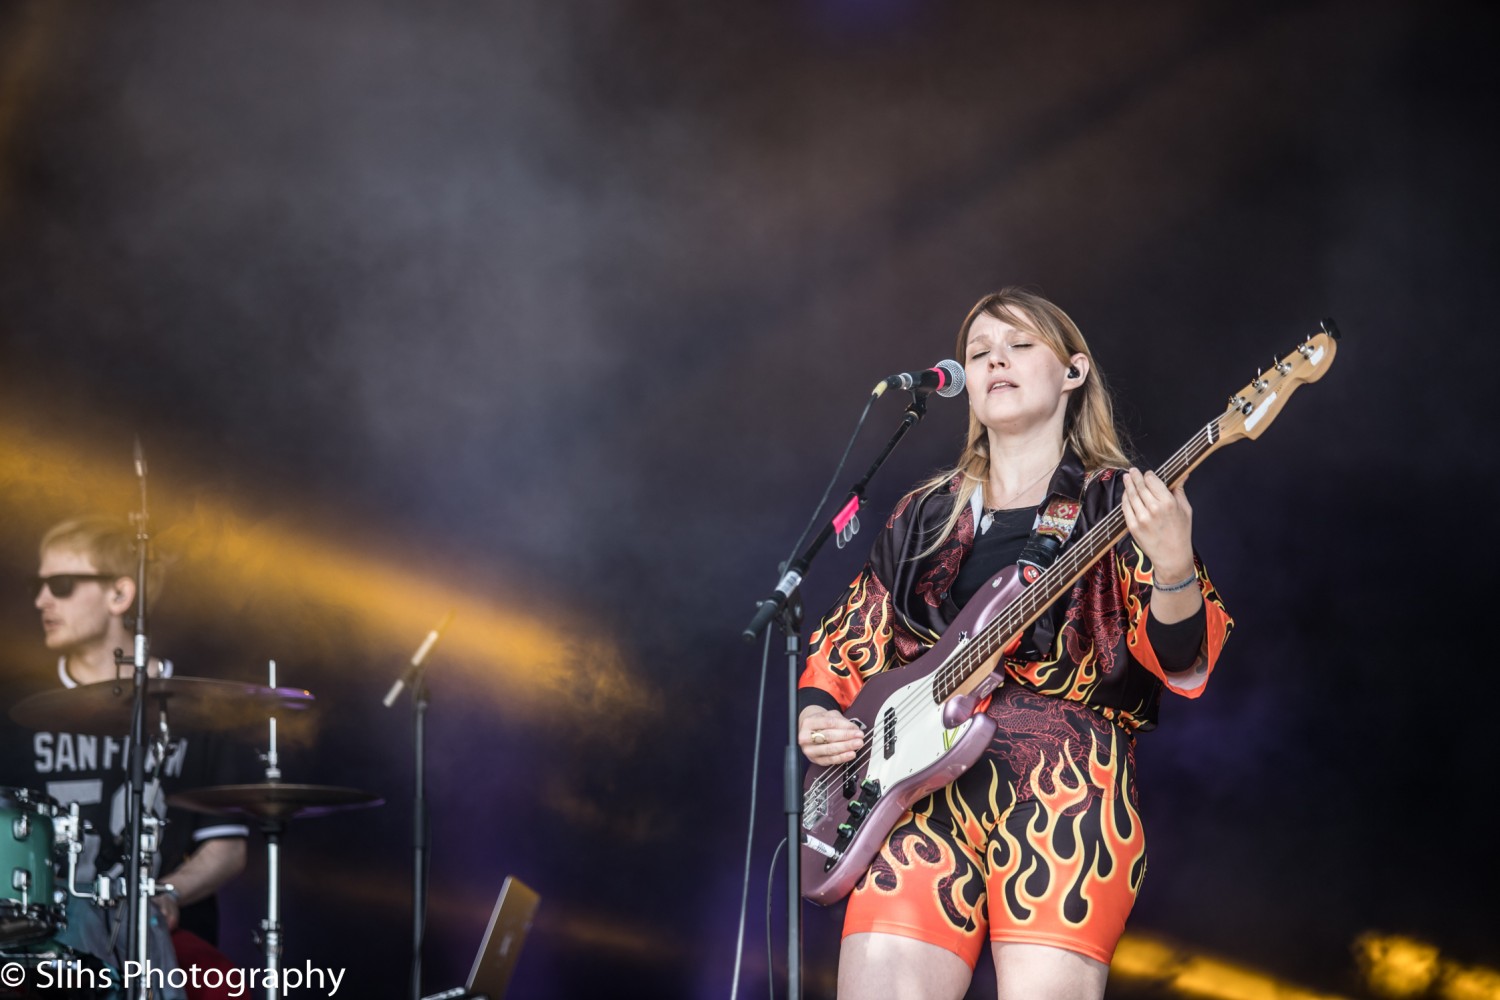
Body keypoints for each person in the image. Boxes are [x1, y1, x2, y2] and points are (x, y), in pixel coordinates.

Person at [797, 288, 1233, 1000]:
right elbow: (851, 636)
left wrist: (1176, 567)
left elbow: (1182, 658)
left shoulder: (1117, 501)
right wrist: (817, 714)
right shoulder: (926, 513)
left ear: (1073, 371)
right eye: (978, 352)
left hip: (1065, 788)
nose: (994, 358)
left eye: (1020, 344)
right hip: (916, 795)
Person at [0, 516, 249, 996]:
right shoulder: (15, 712)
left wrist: (166, 895)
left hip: (169, 939)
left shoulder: (199, 710)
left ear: (120, 595)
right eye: (39, 585)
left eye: (62, 585)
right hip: (46, 945)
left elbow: (227, 846)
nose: (41, 600)